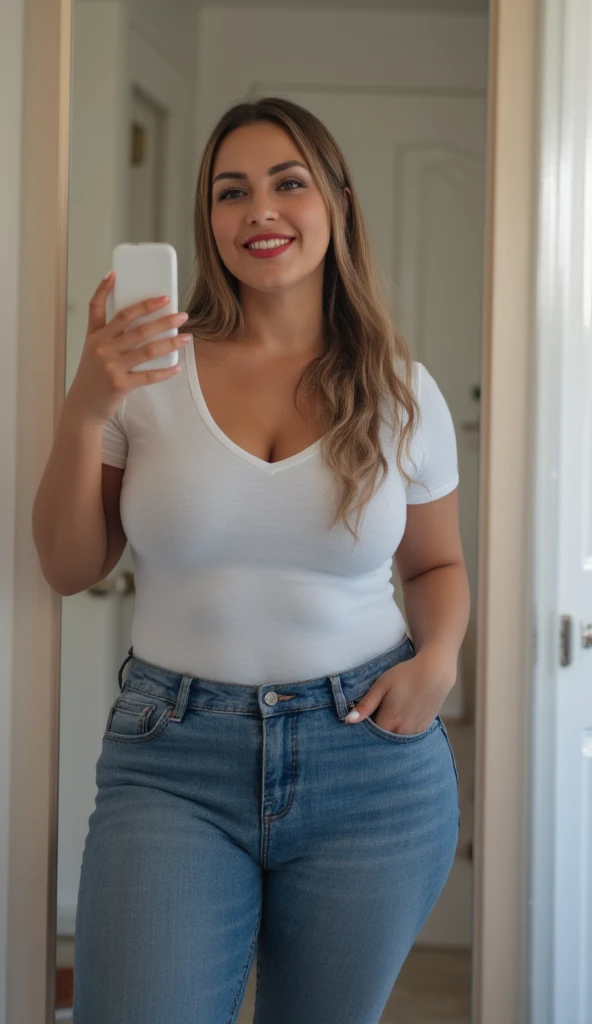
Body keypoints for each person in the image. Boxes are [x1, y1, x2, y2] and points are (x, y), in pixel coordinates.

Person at [33, 97, 470, 1024]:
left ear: (338, 203)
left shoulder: (403, 391)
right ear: (210, 222)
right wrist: (83, 405)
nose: (260, 210)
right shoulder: (147, 373)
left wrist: (438, 663)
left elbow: (436, 568)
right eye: (232, 192)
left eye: (289, 183)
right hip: (174, 760)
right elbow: (70, 564)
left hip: (371, 766)